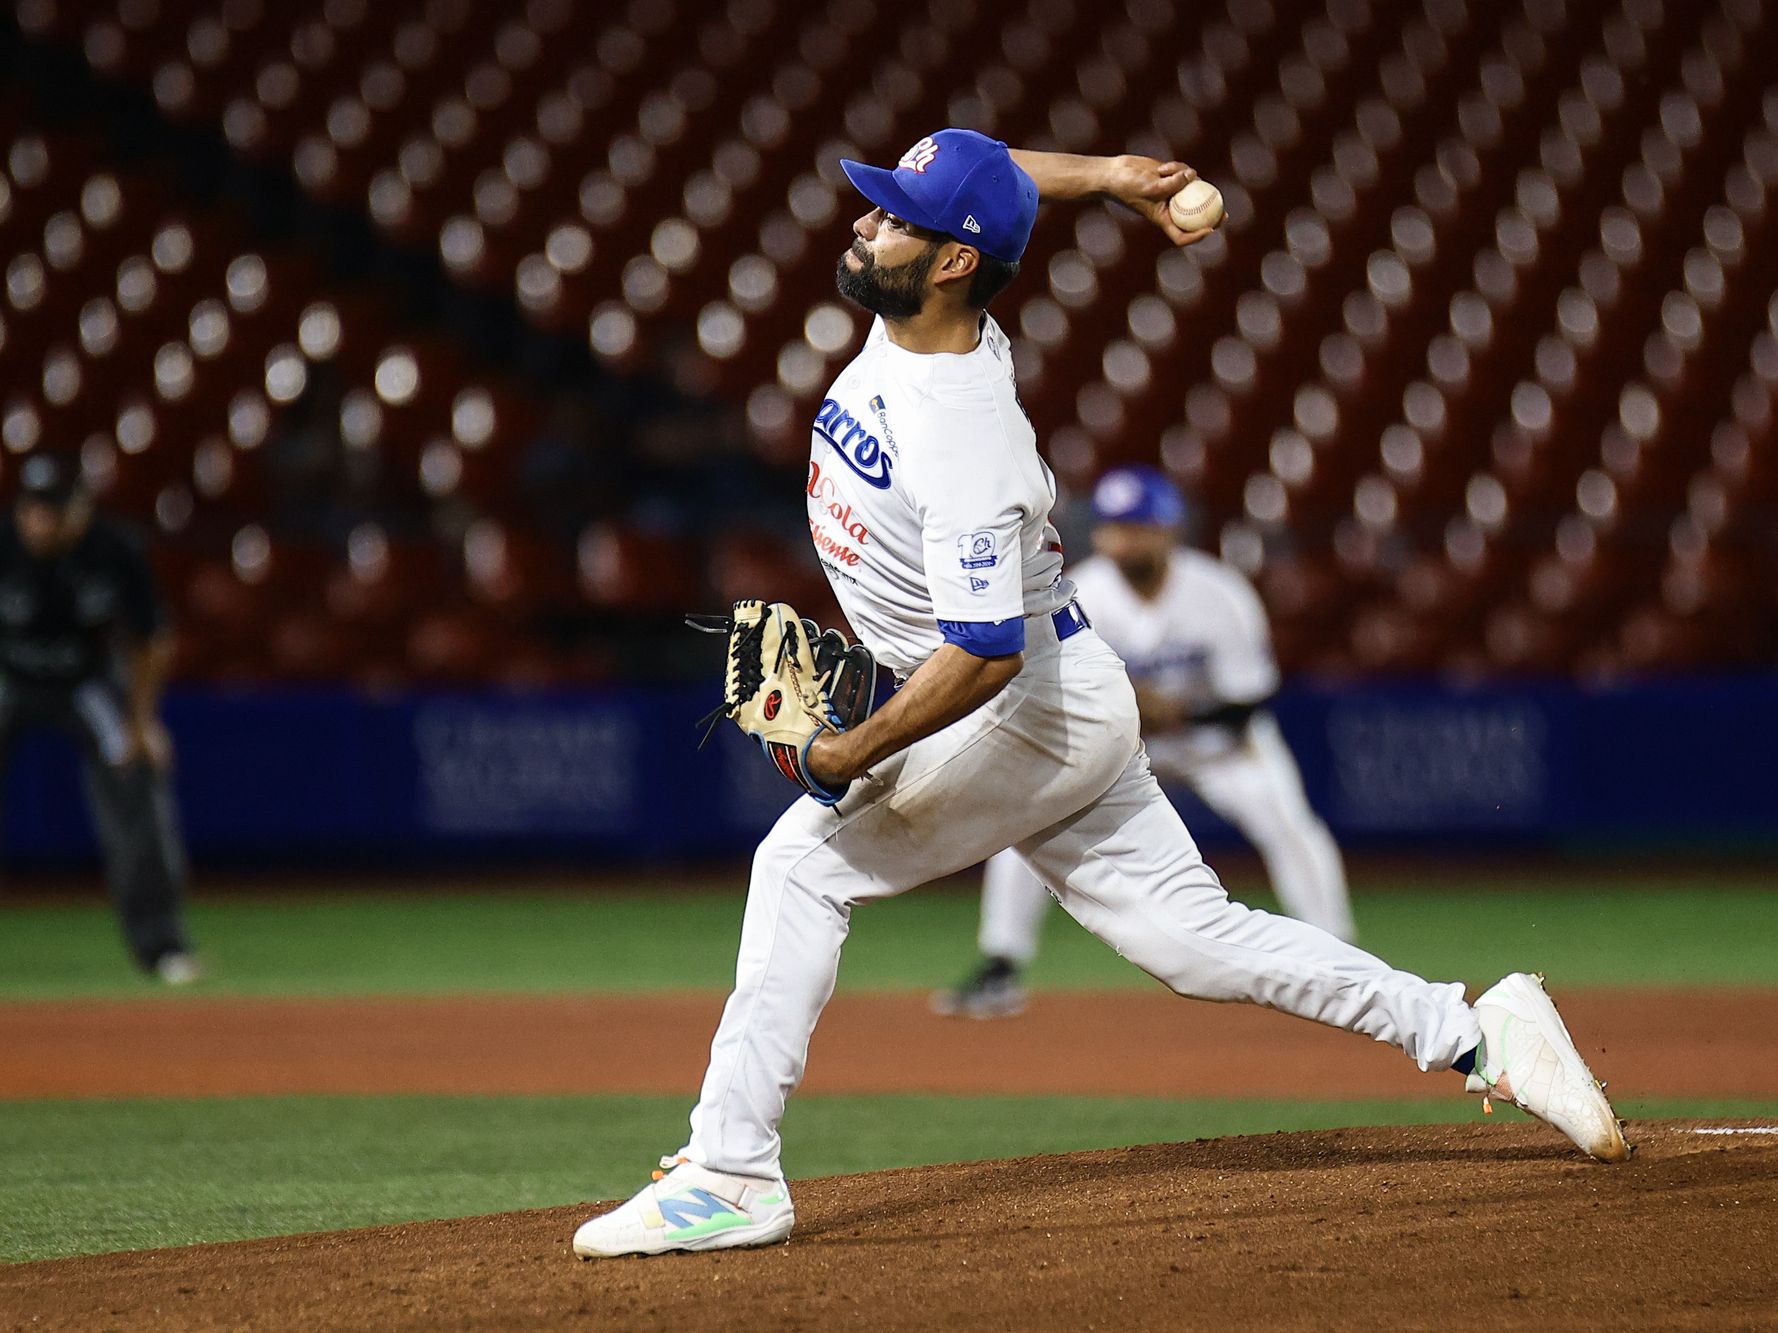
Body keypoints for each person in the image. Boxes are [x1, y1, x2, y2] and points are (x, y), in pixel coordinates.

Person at [573, 132, 1628, 1260]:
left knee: (798, 864)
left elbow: (982, 650)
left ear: (951, 266)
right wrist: (1116, 176)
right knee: (1195, 941)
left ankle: (732, 1173)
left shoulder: (961, 431)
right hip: (1067, 692)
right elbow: (1002, 179)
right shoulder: (932, 317)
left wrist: (847, 754)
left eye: (890, 218)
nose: (860, 224)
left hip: (1024, 705)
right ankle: (1477, 1027)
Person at [935, 464, 1354, 1018]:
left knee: (1290, 824)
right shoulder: (1081, 594)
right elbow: (1053, 699)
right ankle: (1001, 965)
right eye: (1114, 527)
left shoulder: (1218, 593)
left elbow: (1248, 701)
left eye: (1138, 526)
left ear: (1169, 531)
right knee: (1027, 820)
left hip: (1221, 746)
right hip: (1123, 744)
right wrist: (1133, 706)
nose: (1124, 539)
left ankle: (1341, 958)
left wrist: (1176, 710)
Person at [0, 452, 199, 983]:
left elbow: (152, 639)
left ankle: (161, 944)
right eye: (32, 509)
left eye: (54, 510)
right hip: (8, 676)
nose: (40, 521)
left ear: (80, 510)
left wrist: (142, 722)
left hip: (86, 681)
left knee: (135, 767)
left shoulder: (112, 549)